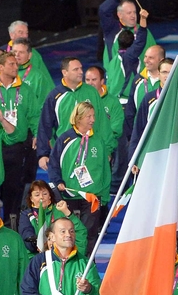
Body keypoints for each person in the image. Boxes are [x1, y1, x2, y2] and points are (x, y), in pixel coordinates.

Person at [0, 52, 42, 221]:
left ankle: (12, 225)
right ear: (0, 67)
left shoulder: (25, 90)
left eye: (16, 64)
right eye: (11, 64)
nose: (16, 67)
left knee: (13, 189)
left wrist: (37, 134)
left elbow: (34, 115)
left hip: (17, 146)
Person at [48, 102, 111, 256]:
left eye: (93, 116)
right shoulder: (65, 139)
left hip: (92, 196)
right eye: (89, 116)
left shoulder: (98, 140)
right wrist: (58, 182)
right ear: (78, 118)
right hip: (69, 193)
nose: (93, 120)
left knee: (90, 233)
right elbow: (54, 163)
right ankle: (67, 261)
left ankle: (87, 263)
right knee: (68, 231)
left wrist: (104, 195)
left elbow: (105, 169)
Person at [130, 59, 178, 176]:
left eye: (171, 72)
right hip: (151, 158)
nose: (167, 76)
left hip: (176, 160)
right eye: (164, 72)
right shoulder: (149, 99)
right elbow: (138, 131)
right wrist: (134, 159)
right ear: (159, 74)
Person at [37, 57, 113, 167]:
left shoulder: (91, 92)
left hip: (93, 149)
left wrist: (107, 149)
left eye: (81, 68)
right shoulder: (54, 96)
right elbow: (45, 126)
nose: (81, 72)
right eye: (76, 69)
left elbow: (102, 122)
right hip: (66, 150)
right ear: (65, 72)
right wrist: (43, 154)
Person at [98, 0, 157, 97]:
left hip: (141, 88)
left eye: (134, 12)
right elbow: (103, 10)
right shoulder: (112, 30)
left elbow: (156, 54)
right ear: (120, 15)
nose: (133, 15)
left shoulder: (144, 32)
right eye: (129, 12)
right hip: (117, 88)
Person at [19, 180, 87, 254]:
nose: (41, 197)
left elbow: (81, 233)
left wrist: (66, 212)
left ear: (50, 196)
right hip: (36, 255)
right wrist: (37, 244)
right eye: (37, 195)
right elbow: (26, 236)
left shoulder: (60, 210)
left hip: (62, 253)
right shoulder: (27, 214)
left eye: (45, 194)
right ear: (31, 198)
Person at [102, 8, 149, 102]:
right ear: (133, 43)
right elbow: (140, 41)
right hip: (126, 101)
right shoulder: (128, 57)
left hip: (114, 99)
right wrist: (143, 19)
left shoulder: (113, 61)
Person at [10, 38, 55, 105]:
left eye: (21, 52)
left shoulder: (38, 77)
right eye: (14, 52)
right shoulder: (4, 73)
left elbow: (45, 104)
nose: (17, 55)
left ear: (29, 55)